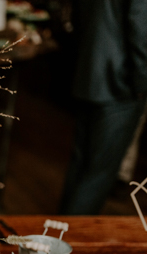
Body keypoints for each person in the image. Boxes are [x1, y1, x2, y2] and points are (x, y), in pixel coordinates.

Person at [59, 0, 147, 215]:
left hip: (88, 73)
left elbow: (77, 15)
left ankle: (57, 235)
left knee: (80, 165)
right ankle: (71, 240)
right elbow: (141, 29)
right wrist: (142, 83)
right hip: (121, 85)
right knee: (99, 174)